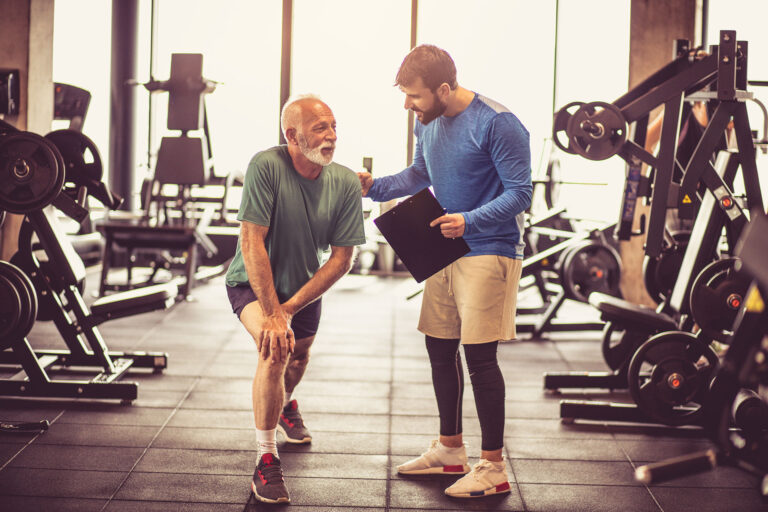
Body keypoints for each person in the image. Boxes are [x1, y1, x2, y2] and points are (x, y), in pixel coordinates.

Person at [358, 44, 532, 498]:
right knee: (439, 348)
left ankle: (492, 467)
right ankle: (450, 449)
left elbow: (520, 193)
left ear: (443, 89)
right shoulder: (428, 123)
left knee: (480, 358)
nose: (407, 105)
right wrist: (372, 187)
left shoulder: (498, 122)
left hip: (488, 248)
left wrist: (469, 220)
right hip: (444, 246)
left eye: (413, 96)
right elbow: (418, 175)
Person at [225, 94, 365, 504]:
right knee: (275, 349)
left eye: (334, 127)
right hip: (252, 282)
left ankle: (285, 404)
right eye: (321, 128)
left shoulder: (343, 182)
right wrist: (272, 313)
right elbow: (252, 241)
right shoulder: (266, 166)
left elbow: (342, 260)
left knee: (299, 357)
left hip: (302, 290)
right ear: (293, 135)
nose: (332, 136)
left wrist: (289, 309)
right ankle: (265, 461)